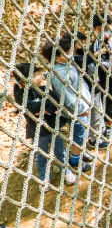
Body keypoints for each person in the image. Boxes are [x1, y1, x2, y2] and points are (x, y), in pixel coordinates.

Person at [41, 37, 92, 181]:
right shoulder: (59, 74)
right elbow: (67, 96)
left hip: (82, 103)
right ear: (56, 58)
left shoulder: (66, 64)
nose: (71, 54)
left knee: (84, 132)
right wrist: (81, 109)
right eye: (67, 52)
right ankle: (75, 162)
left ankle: (79, 154)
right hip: (76, 110)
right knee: (79, 134)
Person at [12, 61, 69, 191]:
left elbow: (55, 101)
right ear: (22, 81)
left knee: (60, 150)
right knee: (41, 155)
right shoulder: (21, 95)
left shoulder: (43, 89)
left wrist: (44, 109)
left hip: (53, 126)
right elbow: (30, 108)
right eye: (33, 75)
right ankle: (44, 178)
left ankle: (65, 171)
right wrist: (44, 107)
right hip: (38, 131)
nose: (38, 77)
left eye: (37, 73)